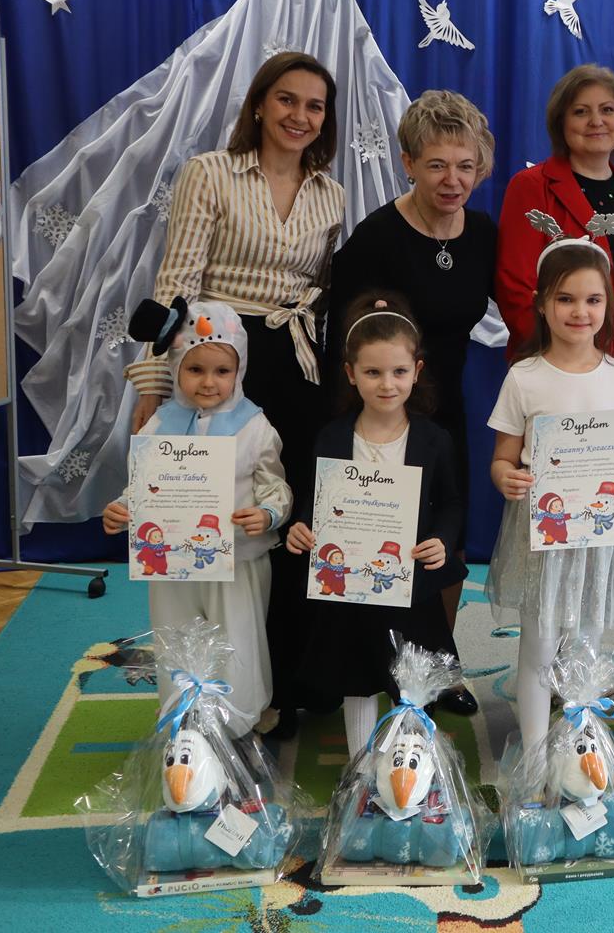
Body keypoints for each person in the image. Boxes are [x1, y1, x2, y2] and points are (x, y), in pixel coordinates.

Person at [123, 51, 344, 738]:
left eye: (314, 105)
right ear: (258, 103)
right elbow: (176, 284)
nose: (299, 116)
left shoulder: (331, 193)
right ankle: (211, 683)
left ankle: (283, 681)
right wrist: (156, 385)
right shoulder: (210, 172)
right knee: (214, 522)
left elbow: (324, 293)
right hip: (216, 362)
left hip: (297, 364)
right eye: (287, 100)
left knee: (285, 518)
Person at [327, 90, 499, 716]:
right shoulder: (376, 238)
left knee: (445, 542)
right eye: (436, 165)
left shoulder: (484, 233)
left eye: (466, 165)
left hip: (446, 411)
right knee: (378, 542)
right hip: (380, 412)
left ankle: (438, 668)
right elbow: (343, 340)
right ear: (407, 163)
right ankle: (371, 666)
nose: (453, 180)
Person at [485, 229, 614, 755]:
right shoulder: (524, 377)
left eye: (592, 299)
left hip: (599, 537)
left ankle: (578, 751)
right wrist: (506, 477)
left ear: (608, 305)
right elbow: (502, 459)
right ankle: (537, 757)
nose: (579, 311)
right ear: (541, 304)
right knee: (538, 646)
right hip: (543, 538)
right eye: (565, 298)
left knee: (585, 645)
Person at [284, 295, 465, 759]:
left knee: (411, 680)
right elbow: (315, 501)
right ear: (350, 373)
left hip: (412, 587)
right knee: (357, 678)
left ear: (417, 371)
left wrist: (442, 541)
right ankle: (361, 769)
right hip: (350, 592)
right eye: (373, 372)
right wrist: (302, 527)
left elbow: (451, 504)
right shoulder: (331, 437)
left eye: (399, 371)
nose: (387, 384)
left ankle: (411, 766)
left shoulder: (434, 439)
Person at [103, 301, 292, 736]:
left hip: (237, 559)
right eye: (195, 369)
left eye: (222, 371)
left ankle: (239, 718)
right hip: (171, 562)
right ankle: (184, 712)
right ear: (175, 368)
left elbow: (275, 486)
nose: (208, 382)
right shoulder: (159, 424)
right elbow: (143, 485)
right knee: (175, 633)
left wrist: (268, 514)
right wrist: (123, 508)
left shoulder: (254, 426)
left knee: (238, 636)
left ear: (239, 370)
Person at [494, 64, 614, 384]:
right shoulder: (531, 187)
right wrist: (572, 364)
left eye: (608, 110)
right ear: (560, 122)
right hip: (557, 375)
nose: (596, 121)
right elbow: (516, 288)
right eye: (581, 112)